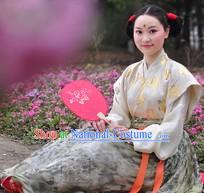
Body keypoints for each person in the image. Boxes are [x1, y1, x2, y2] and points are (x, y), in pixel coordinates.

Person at [0, 4, 203, 193]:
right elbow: (120, 113)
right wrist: (108, 122)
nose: (145, 38)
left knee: (91, 153)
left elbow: (171, 130)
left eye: (152, 31)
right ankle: (20, 173)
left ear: (166, 32)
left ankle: (32, 183)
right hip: (128, 138)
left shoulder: (178, 75)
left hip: (160, 150)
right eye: (139, 32)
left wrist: (132, 135)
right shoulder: (130, 73)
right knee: (77, 138)